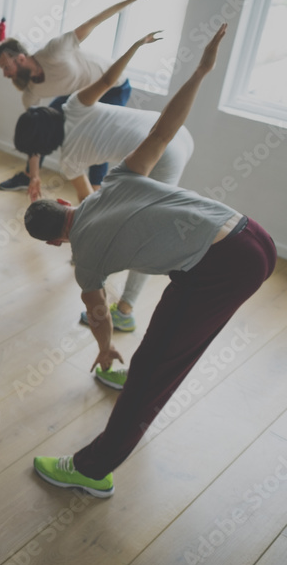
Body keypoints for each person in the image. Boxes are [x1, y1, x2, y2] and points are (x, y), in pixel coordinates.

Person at [23, 25, 277, 497]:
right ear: (63, 205)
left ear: (55, 243)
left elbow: (98, 314)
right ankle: (131, 379)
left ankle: (92, 470)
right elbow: (164, 128)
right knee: (159, 350)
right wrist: (201, 72)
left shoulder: (85, 261)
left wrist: (102, 349)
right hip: (254, 235)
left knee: (156, 372)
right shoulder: (118, 179)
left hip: (224, 268)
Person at [13, 30, 195, 333]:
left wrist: (84, 244)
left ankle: (125, 309)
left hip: (162, 156)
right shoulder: (73, 105)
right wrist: (135, 45)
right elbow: (110, 80)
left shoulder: (69, 160)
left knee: (144, 234)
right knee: (139, 219)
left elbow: (89, 203)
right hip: (177, 132)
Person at [0, 0, 159, 191]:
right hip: (79, 94)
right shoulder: (31, 92)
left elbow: (94, 21)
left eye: (7, 67)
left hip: (113, 85)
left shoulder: (54, 51)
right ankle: (29, 176)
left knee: (96, 138)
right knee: (40, 124)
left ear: (21, 58)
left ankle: (95, 189)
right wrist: (35, 176)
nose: (5, 74)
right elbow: (34, 136)